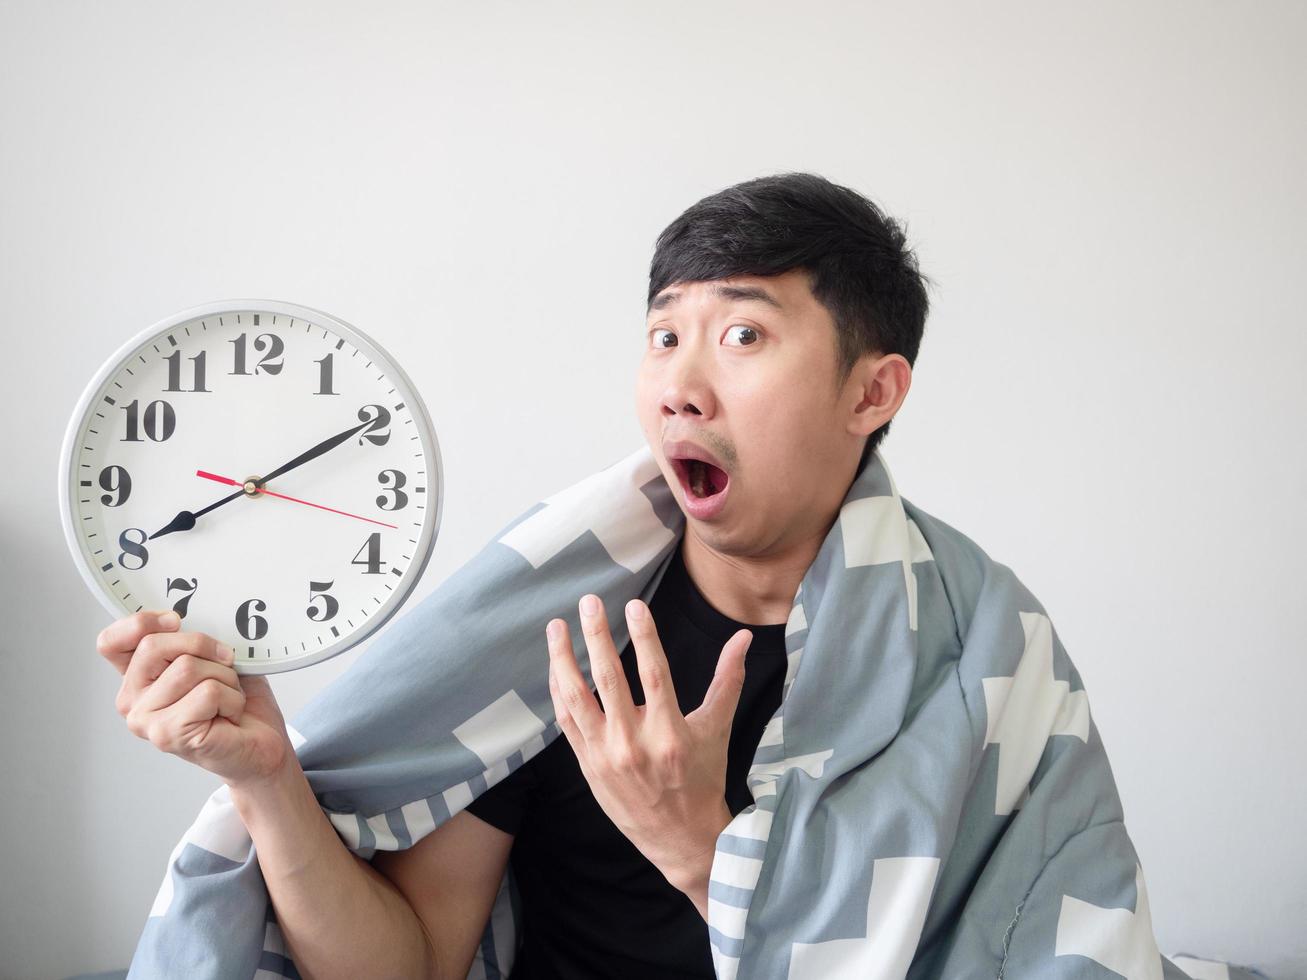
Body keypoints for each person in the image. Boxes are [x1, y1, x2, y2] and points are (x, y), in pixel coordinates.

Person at [97, 171, 927, 979]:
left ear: (870, 394)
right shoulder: (551, 635)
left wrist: (693, 847)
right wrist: (267, 778)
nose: (679, 387)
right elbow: (413, 965)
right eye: (664, 338)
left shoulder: (964, 662)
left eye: (742, 336)